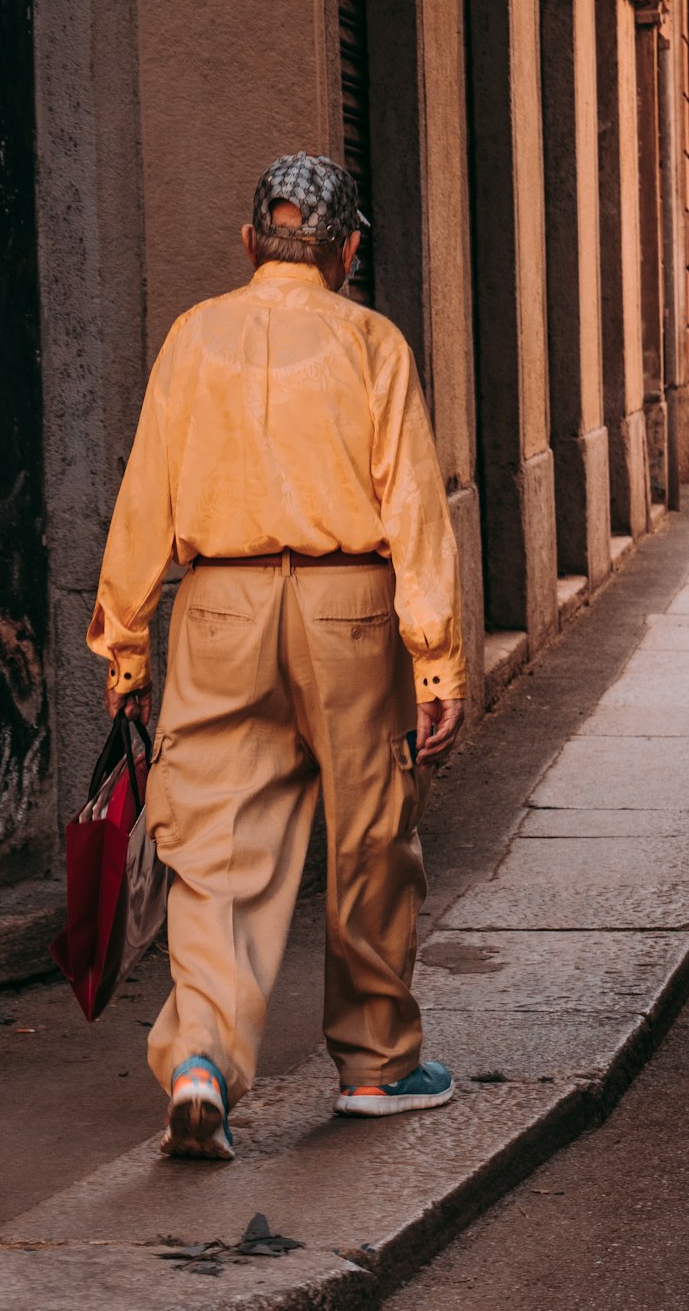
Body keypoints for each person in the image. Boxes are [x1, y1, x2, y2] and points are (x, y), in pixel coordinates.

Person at [87, 152, 466, 1160]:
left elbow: (144, 501)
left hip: (218, 607)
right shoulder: (372, 343)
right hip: (353, 610)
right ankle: (379, 1063)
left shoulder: (193, 336)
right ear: (347, 252)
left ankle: (203, 1055)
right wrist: (434, 659)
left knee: (209, 844)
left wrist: (125, 642)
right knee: (371, 835)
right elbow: (414, 514)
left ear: (249, 242)